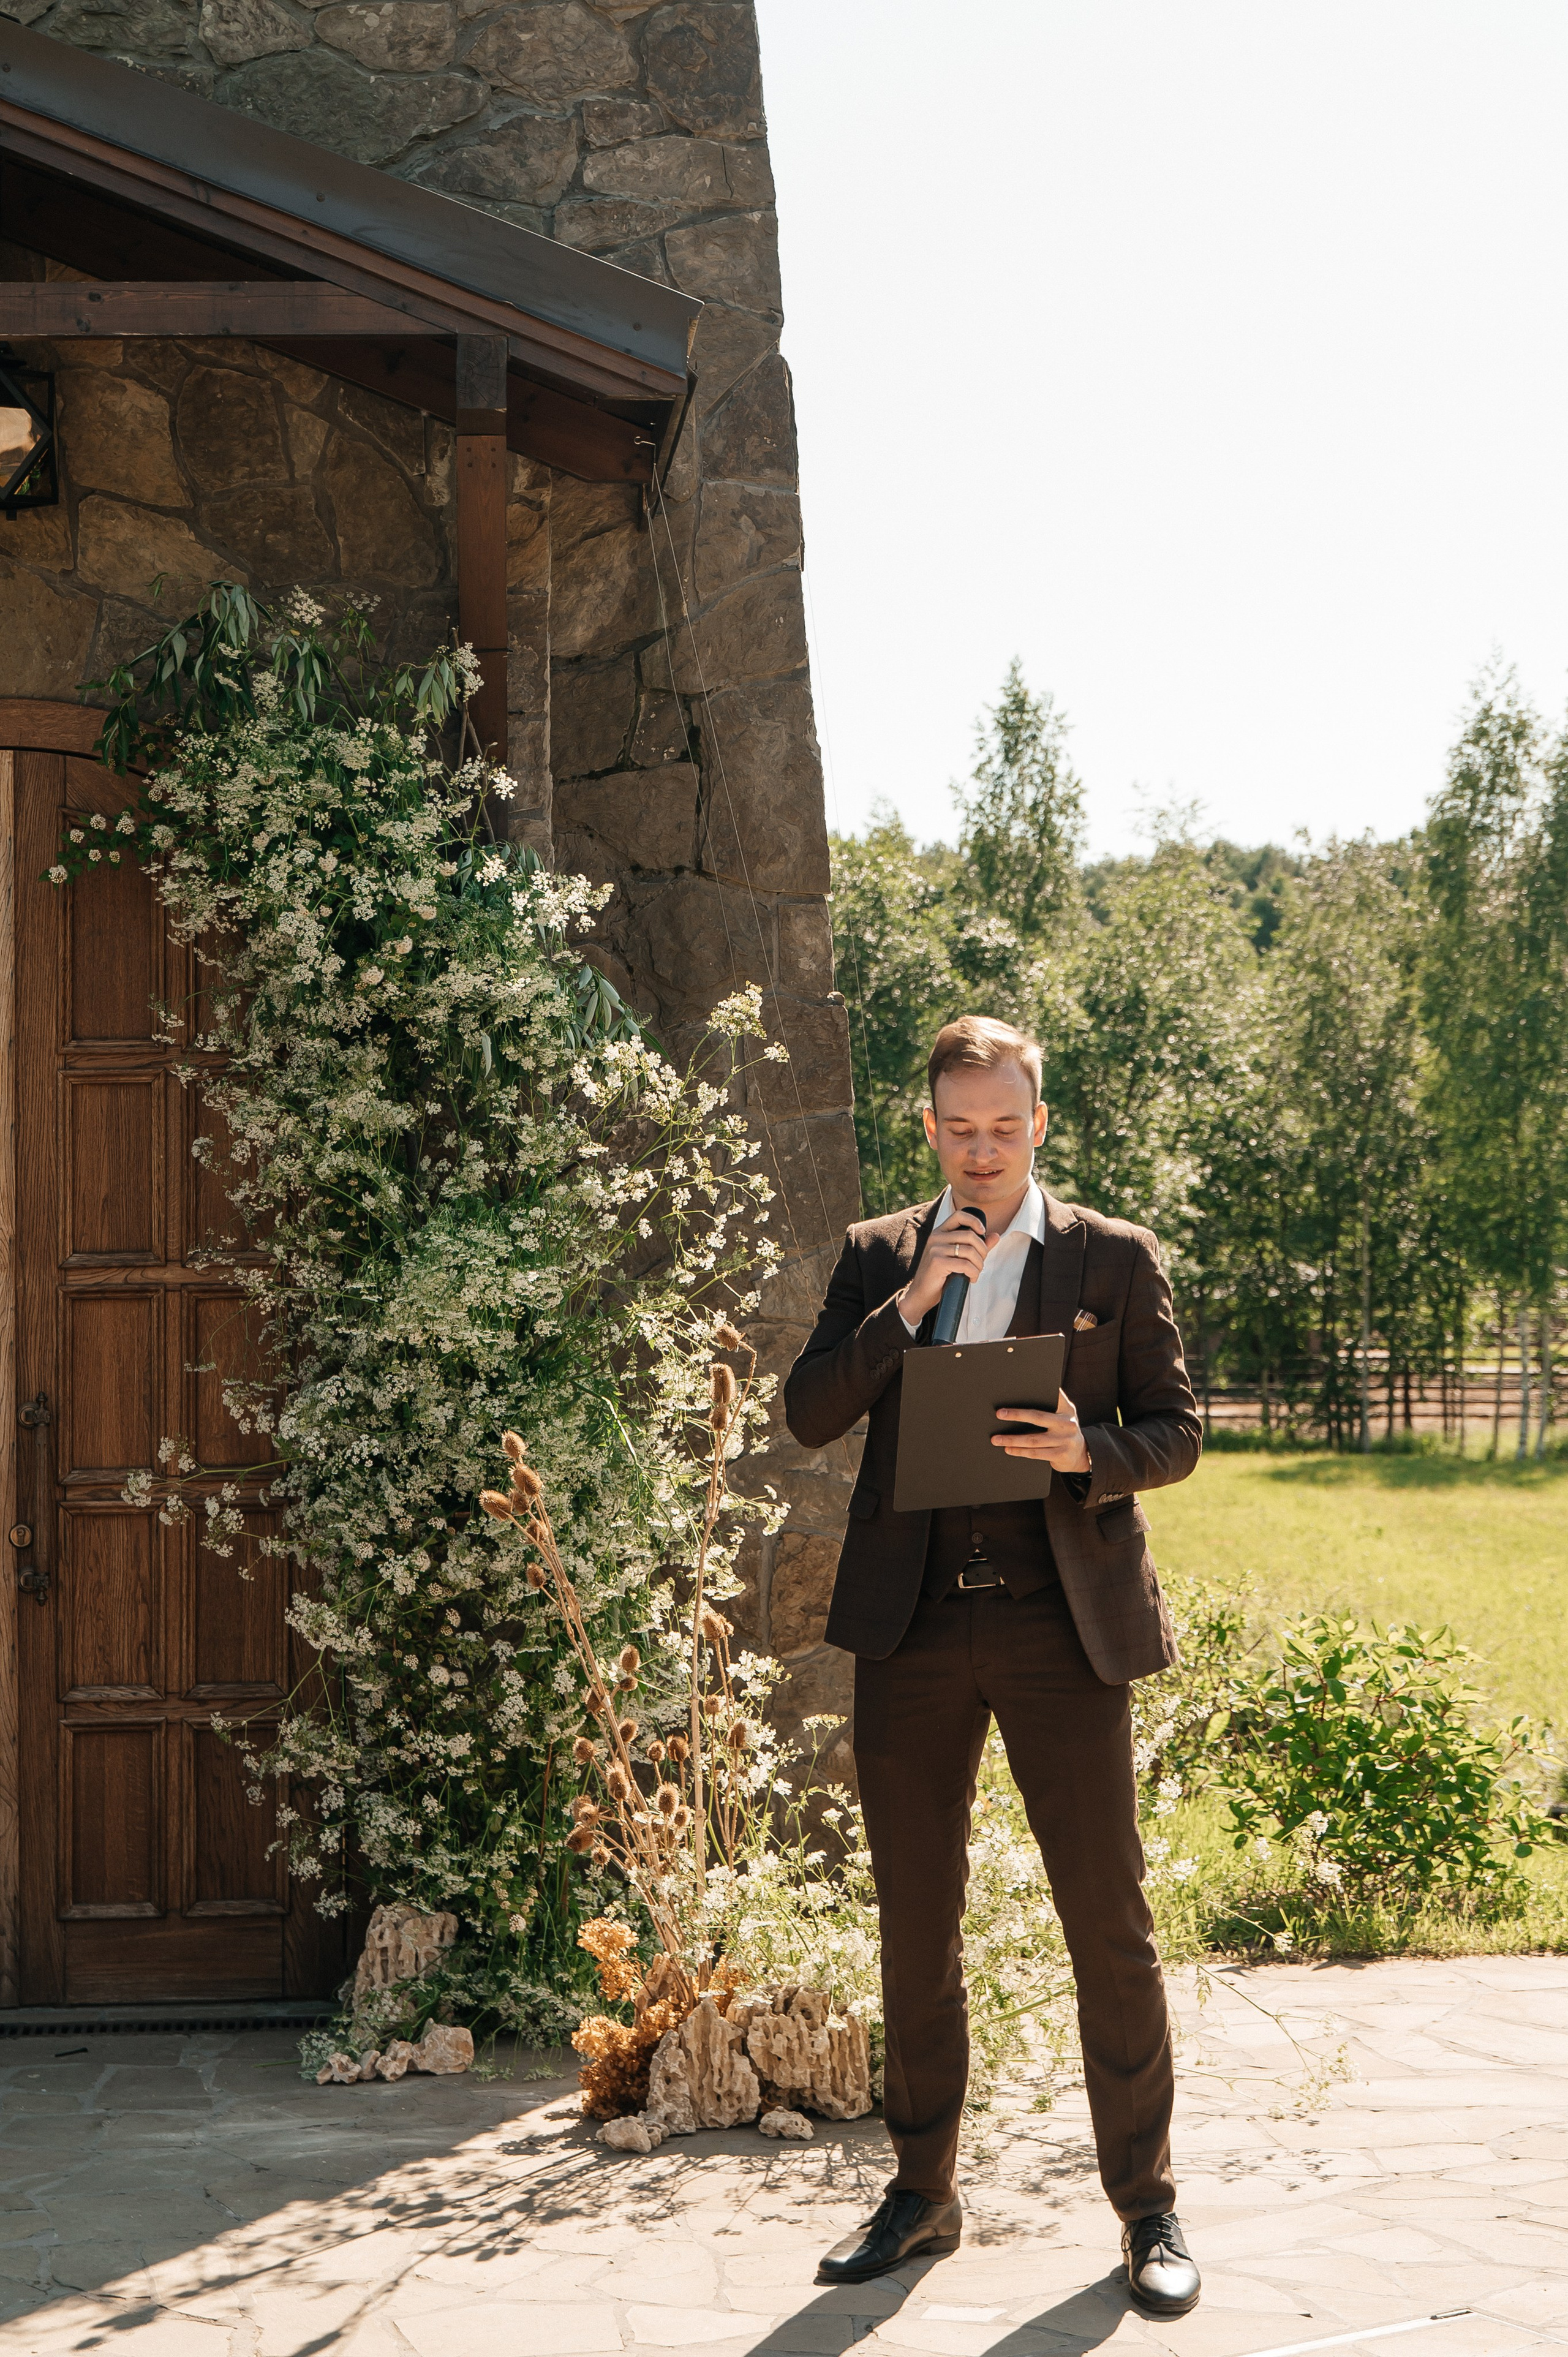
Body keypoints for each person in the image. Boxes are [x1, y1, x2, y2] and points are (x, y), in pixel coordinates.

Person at [784, 1014, 1204, 2315]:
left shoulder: (1111, 1260)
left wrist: (1093, 1451)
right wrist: (908, 1307)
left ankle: (1146, 2211)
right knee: (915, 1919)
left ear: (1037, 1125)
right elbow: (808, 1413)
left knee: (1107, 1923)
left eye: (1003, 1127)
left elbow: (1177, 1430)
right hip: (909, 1630)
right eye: (957, 1129)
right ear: (927, 1130)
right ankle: (920, 2193)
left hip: (1058, 1627)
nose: (980, 1151)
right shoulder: (875, 1259)